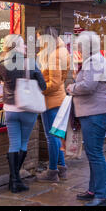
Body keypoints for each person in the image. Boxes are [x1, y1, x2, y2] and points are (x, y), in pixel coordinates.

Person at [66, 31, 106, 206]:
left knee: (95, 154)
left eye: (80, 46)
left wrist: (72, 87)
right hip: (94, 112)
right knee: (94, 153)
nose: (78, 49)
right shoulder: (94, 60)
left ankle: (102, 195)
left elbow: (88, 86)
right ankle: (94, 190)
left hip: (96, 113)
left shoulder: (94, 62)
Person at [0, 34, 47, 193]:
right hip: (27, 108)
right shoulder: (30, 63)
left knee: (14, 144)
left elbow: (1, 80)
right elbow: (43, 85)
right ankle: (15, 179)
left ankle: (14, 181)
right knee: (23, 143)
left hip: (10, 109)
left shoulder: (1, 63)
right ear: (18, 45)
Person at [35, 26, 71, 182]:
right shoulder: (61, 51)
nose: (37, 40)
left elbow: (54, 83)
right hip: (58, 98)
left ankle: (52, 171)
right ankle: (61, 168)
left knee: (52, 137)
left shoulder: (54, 55)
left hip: (51, 100)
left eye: (38, 37)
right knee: (56, 135)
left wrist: (38, 90)